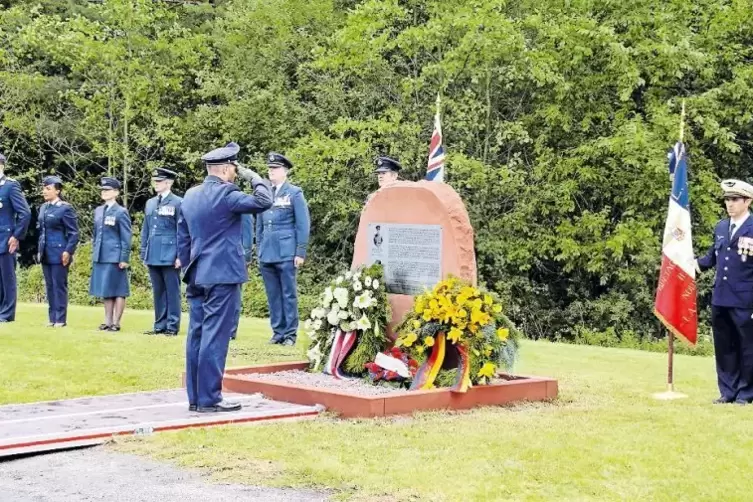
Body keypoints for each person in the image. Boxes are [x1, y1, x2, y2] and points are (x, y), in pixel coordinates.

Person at [178, 142, 272, 413]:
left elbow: (183, 236)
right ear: (227, 169)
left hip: (196, 273)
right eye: (234, 168)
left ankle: (196, 398)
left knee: (196, 334)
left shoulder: (191, 195)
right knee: (215, 336)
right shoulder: (227, 194)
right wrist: (253, 177)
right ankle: (210, 399)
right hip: (221, 274)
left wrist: (187, 266)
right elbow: (264, 201)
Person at [697, 179, 753, 405]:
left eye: (735, 199)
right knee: (724, 347)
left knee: (747, 348)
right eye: (727, 199)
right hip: (721, 297)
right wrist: (686, 266)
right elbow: (711, 257)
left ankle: (746, 393)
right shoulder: (721, 227)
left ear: (748, 201)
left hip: (745, 300)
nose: (730, 204)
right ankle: (727, 391)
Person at [256, 152, 311, 346]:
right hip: (268, 251)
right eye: (270, 169)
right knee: (273, 294)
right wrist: (259, 248)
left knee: (288, 294)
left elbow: (302, 224)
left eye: (275, 169)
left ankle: (290, 334)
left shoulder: (294, 193)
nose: (271, 172)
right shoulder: (264, 193)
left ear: (284, 171)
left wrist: (300, 251)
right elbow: (260, 224)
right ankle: (277, 332)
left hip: (287, 251)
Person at [140, 168, 182, 336]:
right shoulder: (150, 202)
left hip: (170, 252)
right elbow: (146, 228)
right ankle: (159, 325)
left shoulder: (178, 202)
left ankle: (172, 326)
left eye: (159, 181)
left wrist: (180, 255)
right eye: (155, 181)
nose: (156, 184)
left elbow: (182, 230)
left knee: (172, 291)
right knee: (158, 290)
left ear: (169, 182)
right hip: (154, 251)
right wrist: (144, 251)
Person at [89, 177, 132, 332]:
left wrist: (124, 257)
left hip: (115, 255)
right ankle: (107, 320)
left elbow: (126, 236)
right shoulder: (99, 211)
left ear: (116, 192)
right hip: (101, 254)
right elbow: (96, 235)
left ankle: (116, 322)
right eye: (103, 190)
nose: (104, 193)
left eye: (107, 190)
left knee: (118, 289)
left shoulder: (121, 212)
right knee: (106, 289)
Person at [37, 175, 79, 327]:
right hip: (45, 252)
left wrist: (68, 251)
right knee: (49, 286)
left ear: (58, 191)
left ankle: (60, 318)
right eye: (44, 188)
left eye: (48, 189)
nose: (44, 191)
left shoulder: (65, 208)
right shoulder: (43, 208)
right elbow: (42, 231)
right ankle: (52, 317)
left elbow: (74, 233)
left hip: (60, 252)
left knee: (59, 285)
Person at [0, 152, 31, 323]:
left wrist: (16, 235)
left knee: (7, 279)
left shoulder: (10, 186)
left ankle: (6, 314)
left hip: (6, 239)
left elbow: (24, 212)